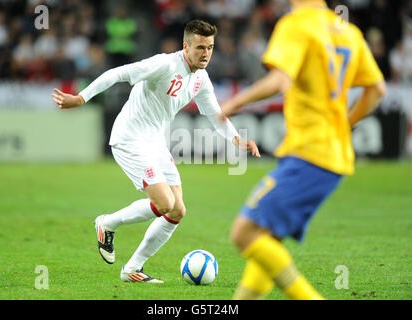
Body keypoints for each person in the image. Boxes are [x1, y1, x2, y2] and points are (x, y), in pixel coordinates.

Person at [52, 19, 260, 283]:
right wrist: (81, 98)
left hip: (155, 142)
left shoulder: (201, 79)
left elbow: (214, 114)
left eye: (210, 47)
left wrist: (238, 140)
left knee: (177, 211)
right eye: (199, 47)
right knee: (165, 203)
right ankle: (107, 223)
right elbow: (118, 73)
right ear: (186, 46)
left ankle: (132, 269)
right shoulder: (164, 64)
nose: (206, 53)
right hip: (130, 138)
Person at [220, 0, 386, 299]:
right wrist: (344, 125)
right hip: (332, 153)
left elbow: (280, 79)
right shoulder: (347, 31)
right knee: (268, 236)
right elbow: (377, 90)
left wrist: (235, 101)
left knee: (244, 233)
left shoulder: (295, 25)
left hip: (310, 151)